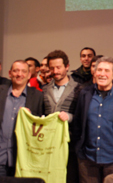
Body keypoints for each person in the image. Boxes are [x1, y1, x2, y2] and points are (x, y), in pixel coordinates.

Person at [73, 57, 113, 183]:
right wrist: (79, 150)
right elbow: (77, 123)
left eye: (106, 70)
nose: (102, 74)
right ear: (94, 72)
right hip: (87, 160)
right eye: (99, 70)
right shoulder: (85, 93)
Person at [0, 60, 44, 177]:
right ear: (9, 73)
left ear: (29, 75)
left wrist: (31, 117)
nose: (19, 74)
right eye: (16, 71)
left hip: (23, 160)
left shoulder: (38, 96)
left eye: (23, 71)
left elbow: (41, 126)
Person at [43, 49, 81, 182]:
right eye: (52, 68)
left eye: (58, 67)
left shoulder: (79, 89)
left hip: (69, 143)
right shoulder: (44, 89)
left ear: (67, 66)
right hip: (48, 144)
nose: (55, 71)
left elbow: (83, 117)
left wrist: (69, 117)